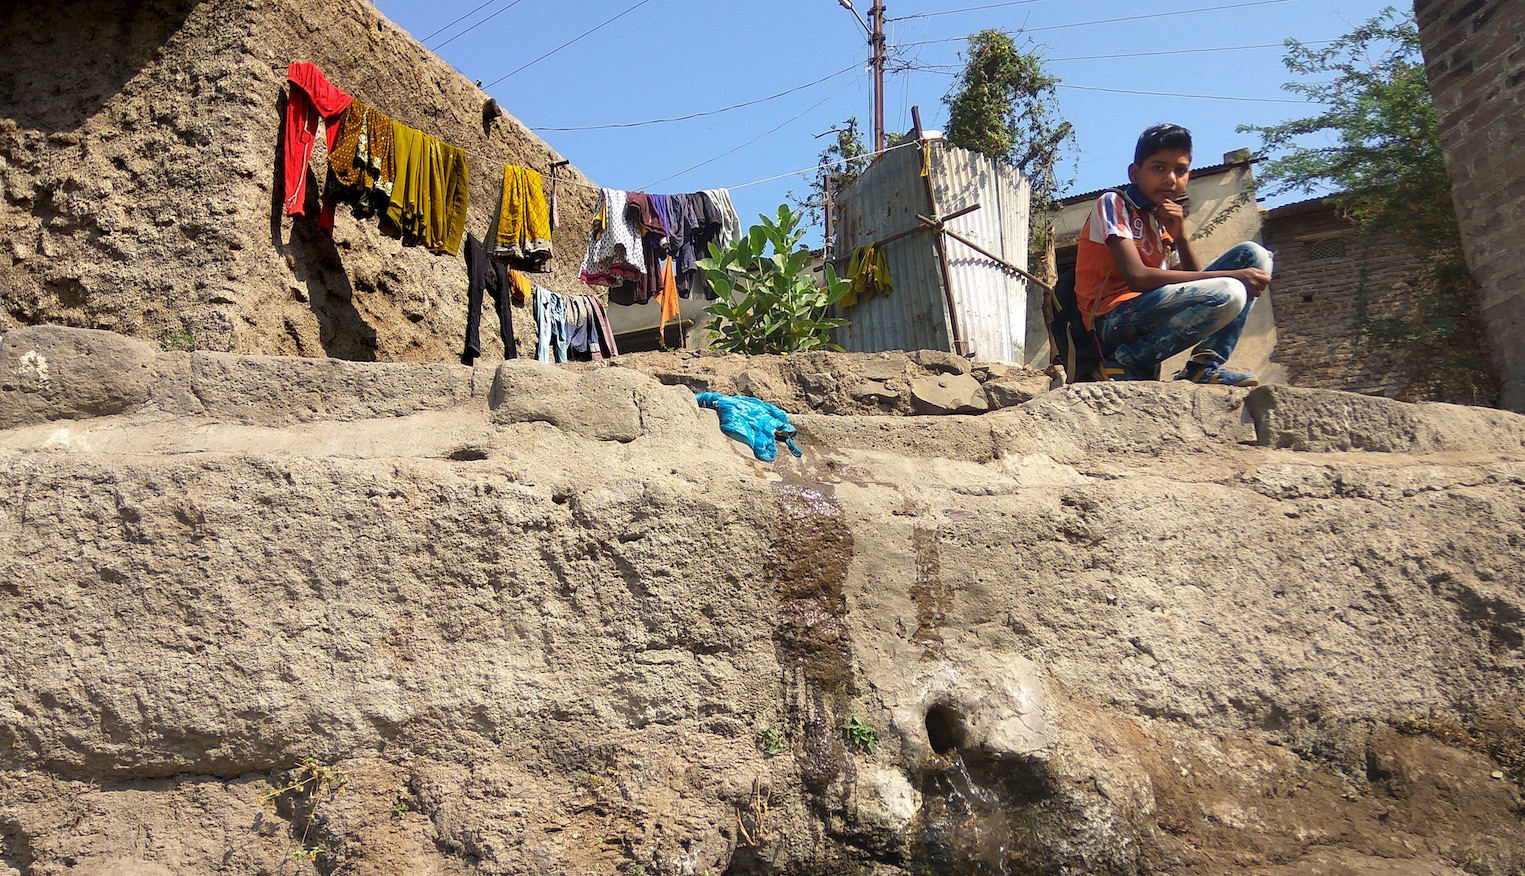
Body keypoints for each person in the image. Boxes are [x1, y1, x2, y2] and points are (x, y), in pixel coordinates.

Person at [1075, 123, 1273, 385]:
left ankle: (1204, 364)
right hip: (1111, 320)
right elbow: (1138, 277)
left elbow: (1196, 280)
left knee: (1256, 255)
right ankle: (1125, 361)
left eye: (1180, 170)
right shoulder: (1114, 203)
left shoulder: (1162, 221)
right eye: (1159, 168)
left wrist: (1180, 236)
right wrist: (1235, 275)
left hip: (1148, 310)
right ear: (1135, 173)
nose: (1170, 179)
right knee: (1230, 291)